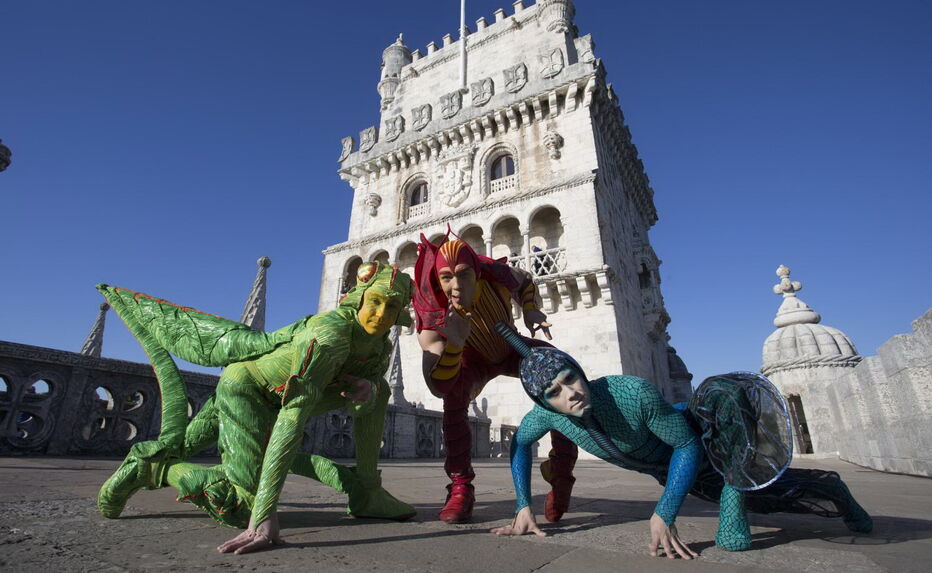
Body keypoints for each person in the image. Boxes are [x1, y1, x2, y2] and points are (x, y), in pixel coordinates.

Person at [96, 262, 416, 555]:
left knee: (379, 388)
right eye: (375, 301)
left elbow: (364, 410)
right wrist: (264, 513)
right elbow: (293, 418)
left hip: (270, 397)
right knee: (239, 505)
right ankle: (151, 468)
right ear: (359, 298)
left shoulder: (379, 347)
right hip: (245, 391)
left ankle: (367, 492)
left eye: (392, 306)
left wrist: (367, 391)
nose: (381, 314)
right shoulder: (330, 335)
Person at [490, 327, 873, 557]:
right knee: (772, 498)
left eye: (570, 377)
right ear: (543, 402)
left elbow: (687, 446)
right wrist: (524, 505)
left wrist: (665, 511)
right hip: (665, 466)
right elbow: (521, 445)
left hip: (707, 446)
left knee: (738, 528)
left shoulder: (632, 394)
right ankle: (829, 489)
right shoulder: (544, 416)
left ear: (579, 370)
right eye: (554, 392)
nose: (570, 393)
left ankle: (825, 491)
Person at [414, 232, 577, 523]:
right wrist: (454, 344)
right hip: (472, 360)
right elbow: (438, 383)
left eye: (463, 275)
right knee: (454, 399)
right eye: (447, 277)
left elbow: (525, 279)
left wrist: (530, 309)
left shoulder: (495, 274)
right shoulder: (432, 309)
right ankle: (460, 485)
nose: (455, 286)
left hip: (511, 346)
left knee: (561, 373)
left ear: (477, 273)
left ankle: (561, 470)